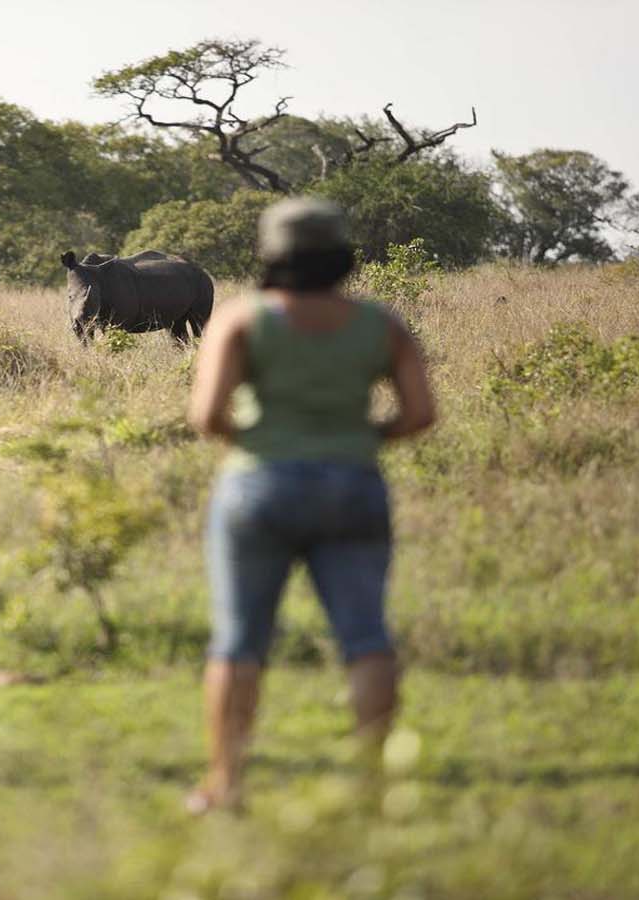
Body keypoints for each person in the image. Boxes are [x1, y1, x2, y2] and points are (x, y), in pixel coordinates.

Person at [184, 198, 437, 812]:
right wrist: (363, 438)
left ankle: (226, 783)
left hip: (260, 484)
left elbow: (206, 415)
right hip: (354, 484)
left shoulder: (245, 319)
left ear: (272, 254)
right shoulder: (382, 323)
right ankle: (374, 783)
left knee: (240, 641)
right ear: (341, 255)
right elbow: (420, 415)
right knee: (365, 635)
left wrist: (262, 440)